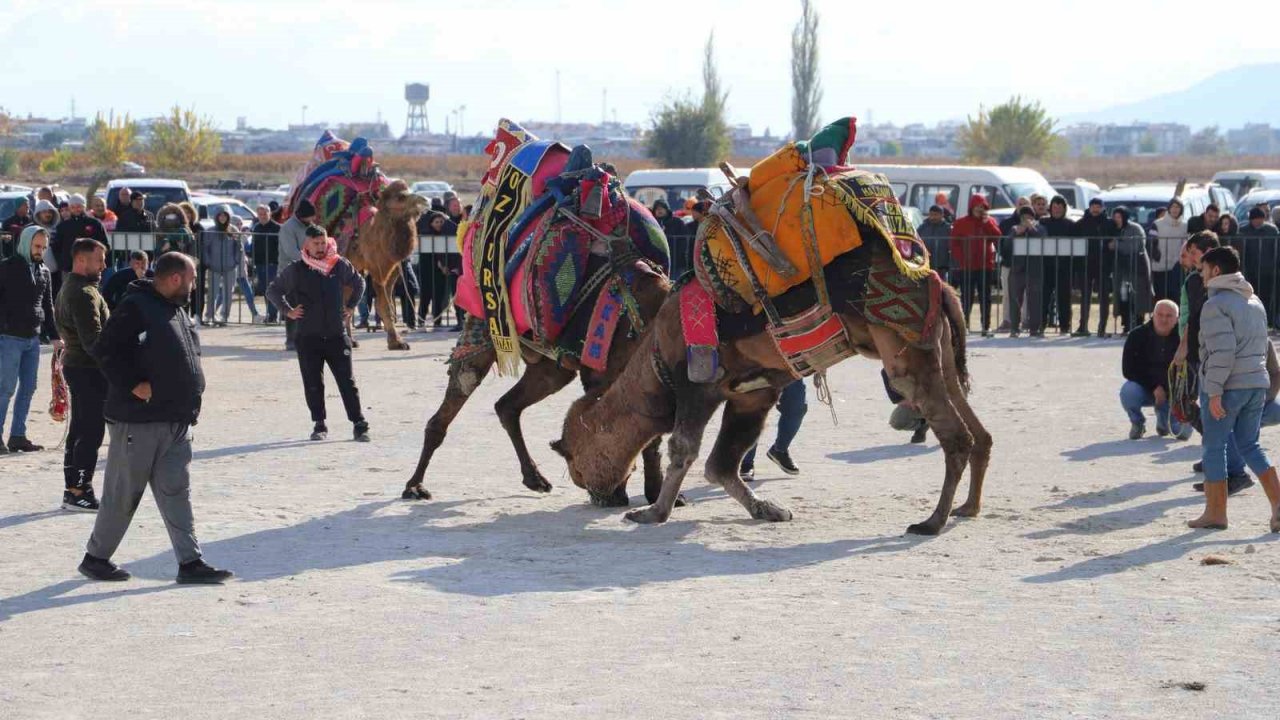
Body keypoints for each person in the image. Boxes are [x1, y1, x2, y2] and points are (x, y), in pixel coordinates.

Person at [79, 252, 233, 583]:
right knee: (123, 495)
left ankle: (190, 563)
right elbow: (104, 349)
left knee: (178, 493)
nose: (193, 286)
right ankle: (96, 558)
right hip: (139, 422)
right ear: (175, 278)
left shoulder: (177, 309)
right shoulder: (136, 307)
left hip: (177, 421)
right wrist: (134, 384)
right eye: (191, 279)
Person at [1188, 246, 1280, 532]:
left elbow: (1222, 352)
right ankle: (1279, 506)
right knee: (1250, 445)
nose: (1200, 275)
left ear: (1216, 271)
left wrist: (1213, 392)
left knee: (1214, 447)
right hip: (1256, 383)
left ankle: (1216, 513)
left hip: (1229, 386)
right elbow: (1264, 347)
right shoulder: (1255, 301)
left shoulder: (1215, 305)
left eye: (1203, 269)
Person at [266, 225, 370, 442]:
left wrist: (351, 306)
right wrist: (288, 311)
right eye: (316, 244)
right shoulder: (296, 269)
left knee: (347, 381)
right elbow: (273, 290)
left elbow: (359, 282)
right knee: (313, 382)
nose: (321, 247)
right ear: (307, 245)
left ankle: (359, 424)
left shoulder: (338, 264)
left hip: (336, 334)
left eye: (323, 242)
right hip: (308, 337)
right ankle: (319, 424)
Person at [54, 239, 112, 511]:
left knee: (80, 429)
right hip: (88, 369)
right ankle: (80, 490)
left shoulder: (71, 286)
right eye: (99, 260)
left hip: (79, 366)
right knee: (90, 431)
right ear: (81, 260)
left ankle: (73, 488)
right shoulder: (83, 292)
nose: (104, 265)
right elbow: (94, 341)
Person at [0, 226, 60, 454]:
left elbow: (48, 306)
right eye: (37, 246)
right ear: (26, 243)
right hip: (8, 338)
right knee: (5, 389)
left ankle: (18, 436)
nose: (40, 251)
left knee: (28, 388)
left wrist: (55, 336)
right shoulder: (7, 267)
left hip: (33, 340)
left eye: (44, 247)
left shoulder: (44, 271)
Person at [1120, 300, 1189, 440]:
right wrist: (1154, 387)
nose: (1164, 319)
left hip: (1175, 392)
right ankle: (1137, 423)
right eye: (1160, 314)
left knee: (1183, 434)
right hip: (1145, 388)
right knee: (1128, 391)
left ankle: (1164, 421)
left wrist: (1178, 395)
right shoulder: (1136, 335)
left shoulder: (1184, 339)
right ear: (1153, 315)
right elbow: (1128, 369)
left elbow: (1193, 370)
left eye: (1169, 316)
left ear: (1177, 319)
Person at [949, 194, 1000, 336]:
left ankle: (986, 326)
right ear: (971, 207)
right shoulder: (961, 223)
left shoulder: (990, 221)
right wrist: (962, 259)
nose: (979, 209)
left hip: (985, 266)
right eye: (977, 206)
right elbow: (954, 244)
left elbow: (997, 236)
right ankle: (963, 326)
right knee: (967, 297)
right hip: (967, 267)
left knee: (986, 297)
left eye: (982, 207)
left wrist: (987, 223)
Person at [739, 380, 807, 480]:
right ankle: (746, 463)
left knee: (797, 408)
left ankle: (779, 450)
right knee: (752, 409)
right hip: (756, 368)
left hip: (790, 370)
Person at [277, 200, 315, 351]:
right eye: (309, 217)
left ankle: (306, 338)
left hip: (309, 273)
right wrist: (312, 261)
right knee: (294, 306)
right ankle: (291, 339)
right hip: (290, 273)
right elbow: (290, 251)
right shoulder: (288, 228)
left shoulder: (310, 227)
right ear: (301, 216)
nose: (311, 220)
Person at [1004, 206, 1047, 337]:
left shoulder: (1040, 228)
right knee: (1015, 299)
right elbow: (1006, 245)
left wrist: (1031, 229)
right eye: (1023, 217)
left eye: (1029, 217)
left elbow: (1043, 239)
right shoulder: (1014, 229)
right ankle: (1014, 328)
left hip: (1035, 269)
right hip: (1017, 269)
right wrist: (1017, 233)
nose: (1026, 219)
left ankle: (1034, 328)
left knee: (1035, 299)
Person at [1232, 207, 1279, 325]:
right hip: (1250, 270)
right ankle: (1252, 321)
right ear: (1250, 220)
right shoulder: (1243, 230)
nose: (1258, 222)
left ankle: (1267, 321)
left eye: (1260, 219)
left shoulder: (1272, 230)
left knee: (1267, 297)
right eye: (1255, 219)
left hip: (1268, 270)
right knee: (1250, 296)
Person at [1111, 206, 1154, 334]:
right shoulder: (1114, 229)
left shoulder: (1135, 228)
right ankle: (1126, 324)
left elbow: (1136, 246)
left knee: (1137, 296)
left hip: (1137, 267)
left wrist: (1117, 244)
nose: (1116, 219)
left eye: (1119, 217)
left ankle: (1138, 323)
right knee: (1123, 297)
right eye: (1115, 217)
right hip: (1121, 269)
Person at [1038, 196, 1076, 334]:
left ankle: (1065, 326)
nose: (1057, 210)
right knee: (1043, 298)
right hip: (1046, 266)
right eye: (1055, 207)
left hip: (1064, 267)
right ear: (1051, 208)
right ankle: (1040, 325)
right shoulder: (1043, 222)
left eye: (1060, 208)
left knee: (1064, 299)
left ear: (1064, 209)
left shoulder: (1071, 224)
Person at [51, 194, 110, 280]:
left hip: (91, 269)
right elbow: (56, 247)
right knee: (70, 292)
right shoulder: (62, 226)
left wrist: (98, 260)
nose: (76, 209)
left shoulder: (95, 224)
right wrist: (62, 263)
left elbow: (105, 245)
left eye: (79, 206)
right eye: (73, 207)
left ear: (84, 207)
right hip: (69, 269)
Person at [201, 206, 242, 327]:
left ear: (228, 217)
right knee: (212, 293)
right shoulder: (210, 231)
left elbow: (239, 247)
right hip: (214, 266)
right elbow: (205, 248)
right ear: (216, 217)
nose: (223, 218)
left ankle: (225, 316)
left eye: (225, 215)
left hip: (230, 267)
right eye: (220, 215)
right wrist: (208, 262)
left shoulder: (233, 229)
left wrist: (236, 261)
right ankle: (209, 315)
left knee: (228, 292)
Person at [1151, 198, 1188, 302]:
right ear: (1169, 208)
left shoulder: (1185, 226)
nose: (1175, 210)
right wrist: (1156, 256)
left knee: (1176, 297)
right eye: (1173, 207)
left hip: (1177, 266)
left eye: (1178, 207)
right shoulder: (1157, 224)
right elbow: (1151, 242)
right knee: (1160, 298)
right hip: (1160, 267)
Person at [251, 204, 282, 324]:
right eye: (260, 214)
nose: (263, 216)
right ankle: (271, 314)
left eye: (265, 214)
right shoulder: (256, 227)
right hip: (260, 263)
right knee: (265, 290)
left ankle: (273, 315)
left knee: (272, 289)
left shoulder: (277, 228)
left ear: (270, 214)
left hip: (273, 263)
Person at [883, 369, 929, 444]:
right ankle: (925, 423)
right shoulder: (889, 369)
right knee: (897, 421)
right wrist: (908, 401)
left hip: (941, 402)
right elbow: (898, 400)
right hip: (918, 404)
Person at [652, 199, 691, 279]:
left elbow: (684, 240)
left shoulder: (677, 222)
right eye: (657, 208)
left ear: (667, 209)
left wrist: (680, 255)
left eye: (662, 208)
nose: (659, 210)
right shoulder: (651, 223)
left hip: (675, 260)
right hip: (657, 261)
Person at [917, 205, 952, 280]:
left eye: (935, 215)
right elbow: (916, 241)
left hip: (941, 265)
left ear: (942, 215)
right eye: (931, 215)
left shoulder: (948, 228)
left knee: (941, 286)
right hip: (925, 264)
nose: (932, 217)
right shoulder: (923, 227)